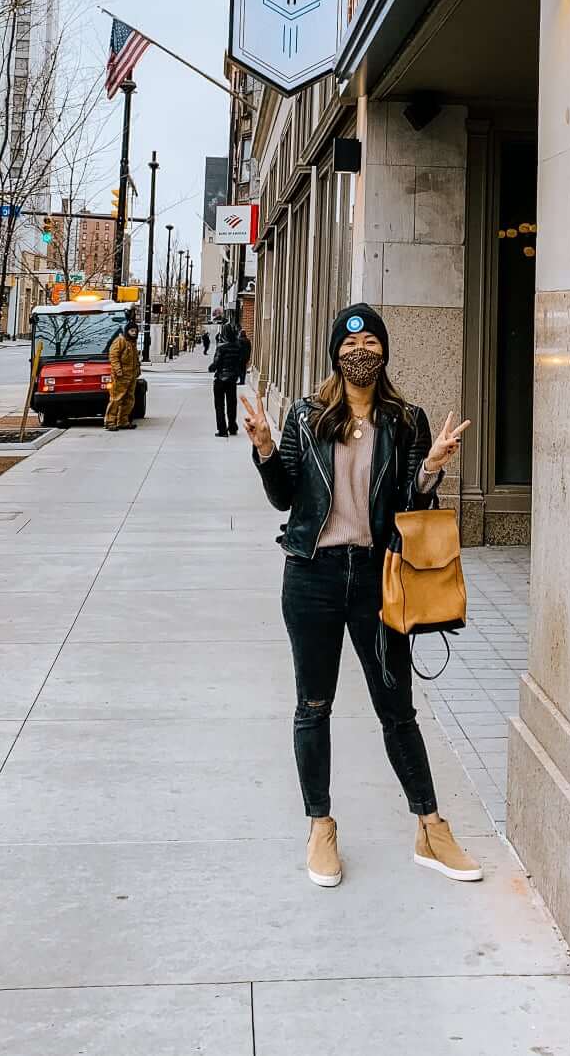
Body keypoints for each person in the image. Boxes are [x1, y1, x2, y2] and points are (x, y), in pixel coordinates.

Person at [240, 300, 479, 890]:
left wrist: (430, 469)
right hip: (313, 575)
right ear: (334, 353)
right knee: (313, 705)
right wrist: (267, 448)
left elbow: (411, 506)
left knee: (397, 709)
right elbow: (283, 497)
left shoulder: (406, 419)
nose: (360, 350)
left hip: (378, 579)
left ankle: (430, 827)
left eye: (370, 341)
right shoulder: (306, 416)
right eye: (349, 344)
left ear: (384, 351)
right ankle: (321, 825)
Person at [105, 316, 141, 430]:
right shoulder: (121, 341)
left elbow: (135, 359)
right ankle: (110, 422)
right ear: (127, 331)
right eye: (132, 331)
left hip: (131, 377)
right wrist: (118, 371)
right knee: (116, 399)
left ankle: (123, 421)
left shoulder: (132, 343)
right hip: (121, 377)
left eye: (135, 331)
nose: (134, 333)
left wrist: (137, 371)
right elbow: (113, 356)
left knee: (129, 400)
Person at [209, 321, 242, 436]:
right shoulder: (238, 346)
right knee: (232, 404)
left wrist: (211, 368)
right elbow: (240, 362)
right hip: (232, 379)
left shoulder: (221, 347)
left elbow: (216, 363)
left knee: (219, 405)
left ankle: (222, 429)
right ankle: (232, 427)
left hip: (220, 379)